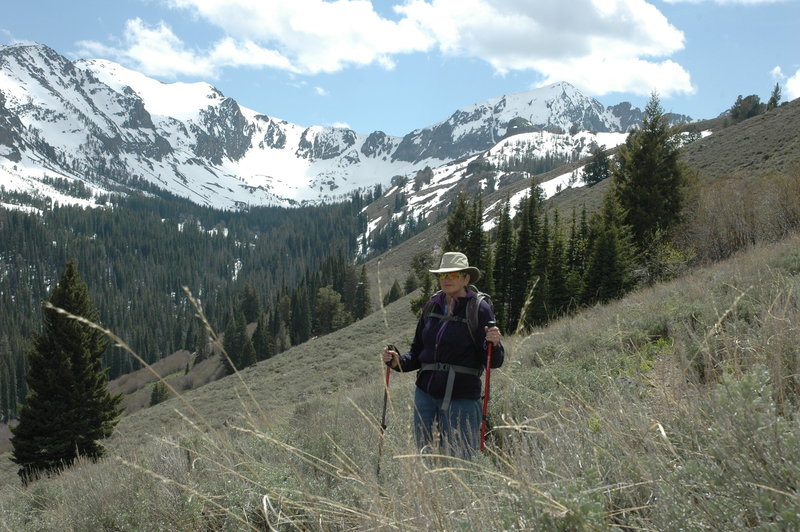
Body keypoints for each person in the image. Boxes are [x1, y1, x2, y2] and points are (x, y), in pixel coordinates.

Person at [382, 252, 503, 459]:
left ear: (466, 278)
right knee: (425, 457)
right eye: (442, 275)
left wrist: (495, 343)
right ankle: (430, 492)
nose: (446, 279)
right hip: (425, 396)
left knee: (461, 459)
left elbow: (494, 361)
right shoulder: (432, 305)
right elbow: (419, 352)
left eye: (453, 274)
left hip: (462, 398)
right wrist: (398, 362)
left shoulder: (479, 308)